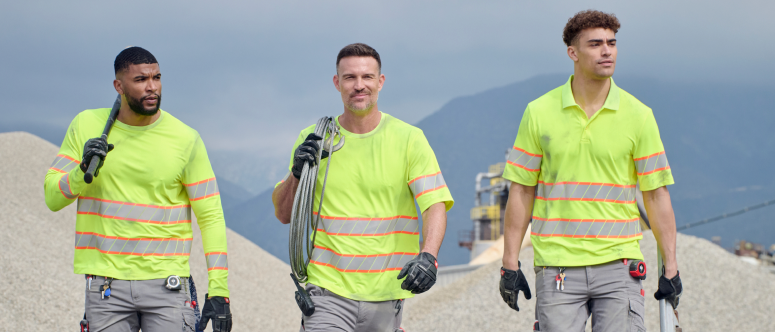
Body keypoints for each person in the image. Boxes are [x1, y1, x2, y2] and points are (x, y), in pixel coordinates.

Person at [497, 10, 683, 332]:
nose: (607, 51)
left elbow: (656, 194)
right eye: (595, 44)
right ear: (573, 52)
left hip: (619, 262)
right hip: (557, 264)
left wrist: (672, 267)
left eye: (612, 43)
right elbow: (522, 190)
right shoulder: (538, 112)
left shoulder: (639, 115)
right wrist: (509, 262)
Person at [44, 46, 233, 332]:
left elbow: (211, 217)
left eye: (156, 78)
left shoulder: (185, 138)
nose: (152, 87)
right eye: (141, 79)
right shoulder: (86, 126)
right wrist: (82, 172)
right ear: (119, 86)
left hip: (168, 285)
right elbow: (52, 198)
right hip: (106, 285)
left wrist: (219, 291)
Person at [271, 43, 454, 332]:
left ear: (380, 82)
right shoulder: (314, 139)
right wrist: (296, 173)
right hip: (327, 294)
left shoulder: (409, 139)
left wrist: (429, 256)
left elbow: (434, 204)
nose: (359, 86)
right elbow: (284, 213)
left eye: (367, 77)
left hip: (387, 295)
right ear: (337, 83)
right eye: (350, 78)